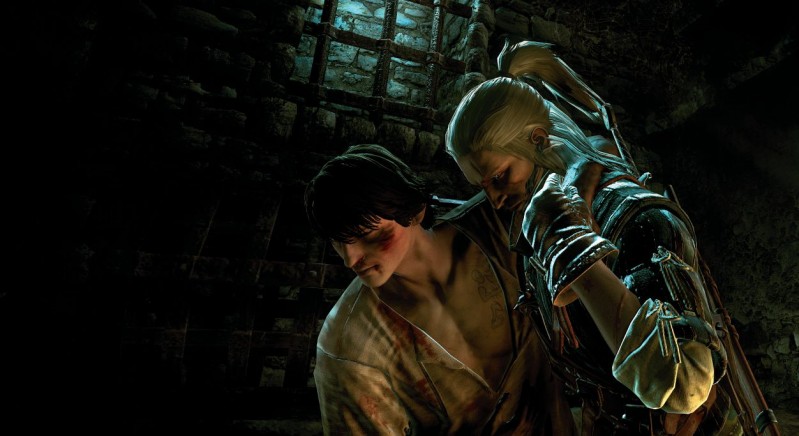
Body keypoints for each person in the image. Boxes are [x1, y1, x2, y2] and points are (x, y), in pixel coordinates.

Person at [445, 40, 776, 435]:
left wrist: (575, 251)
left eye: (501, 177)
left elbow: (685, 385)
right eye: (484, 187)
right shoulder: (539, 235)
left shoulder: (633, 216)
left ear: (538, 139)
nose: (496, 200)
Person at [304, 144, 577, 435]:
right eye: (338, 241)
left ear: (415, 212)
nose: (350, 259)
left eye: (369, 235)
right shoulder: (349, 345)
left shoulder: (498, 227)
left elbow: (580, 156)